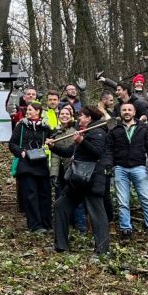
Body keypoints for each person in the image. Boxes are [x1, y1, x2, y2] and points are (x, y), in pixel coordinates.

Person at [51, 105, 110, 258]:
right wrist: (53, 147)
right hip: (77, 180)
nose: (79, 118)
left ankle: (102, 251)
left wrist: (82, 141)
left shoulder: (98, 132)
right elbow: (69, 152)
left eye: (82, 116)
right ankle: (61, 246)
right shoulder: (84, 132)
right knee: (60, 206)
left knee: (97, 215)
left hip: (92, 180)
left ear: (89, 118)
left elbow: (97, 153)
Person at [107, 101, 148, 244]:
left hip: (139, 168)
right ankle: (126, 231)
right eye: (124, 110)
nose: (126, 112)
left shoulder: (144, 128)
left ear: (134, 112)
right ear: (120, 113)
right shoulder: (114, 130)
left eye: (129, 110)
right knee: (123, 201)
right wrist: (108, 164)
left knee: (146, 200)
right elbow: (109, 149)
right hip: (120, 168)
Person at [8, 102, 52, 233]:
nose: (28, 111)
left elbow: (53, 140)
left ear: (38, 111)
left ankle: (47, 224)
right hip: (26, 165)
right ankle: (35, 225)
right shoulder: (21, 126)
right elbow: (12, 143)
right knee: (30, 195)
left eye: (31, 110)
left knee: (45, 195)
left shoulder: (45, 127)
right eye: (27, 110)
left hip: (41, 164)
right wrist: (22, 152)